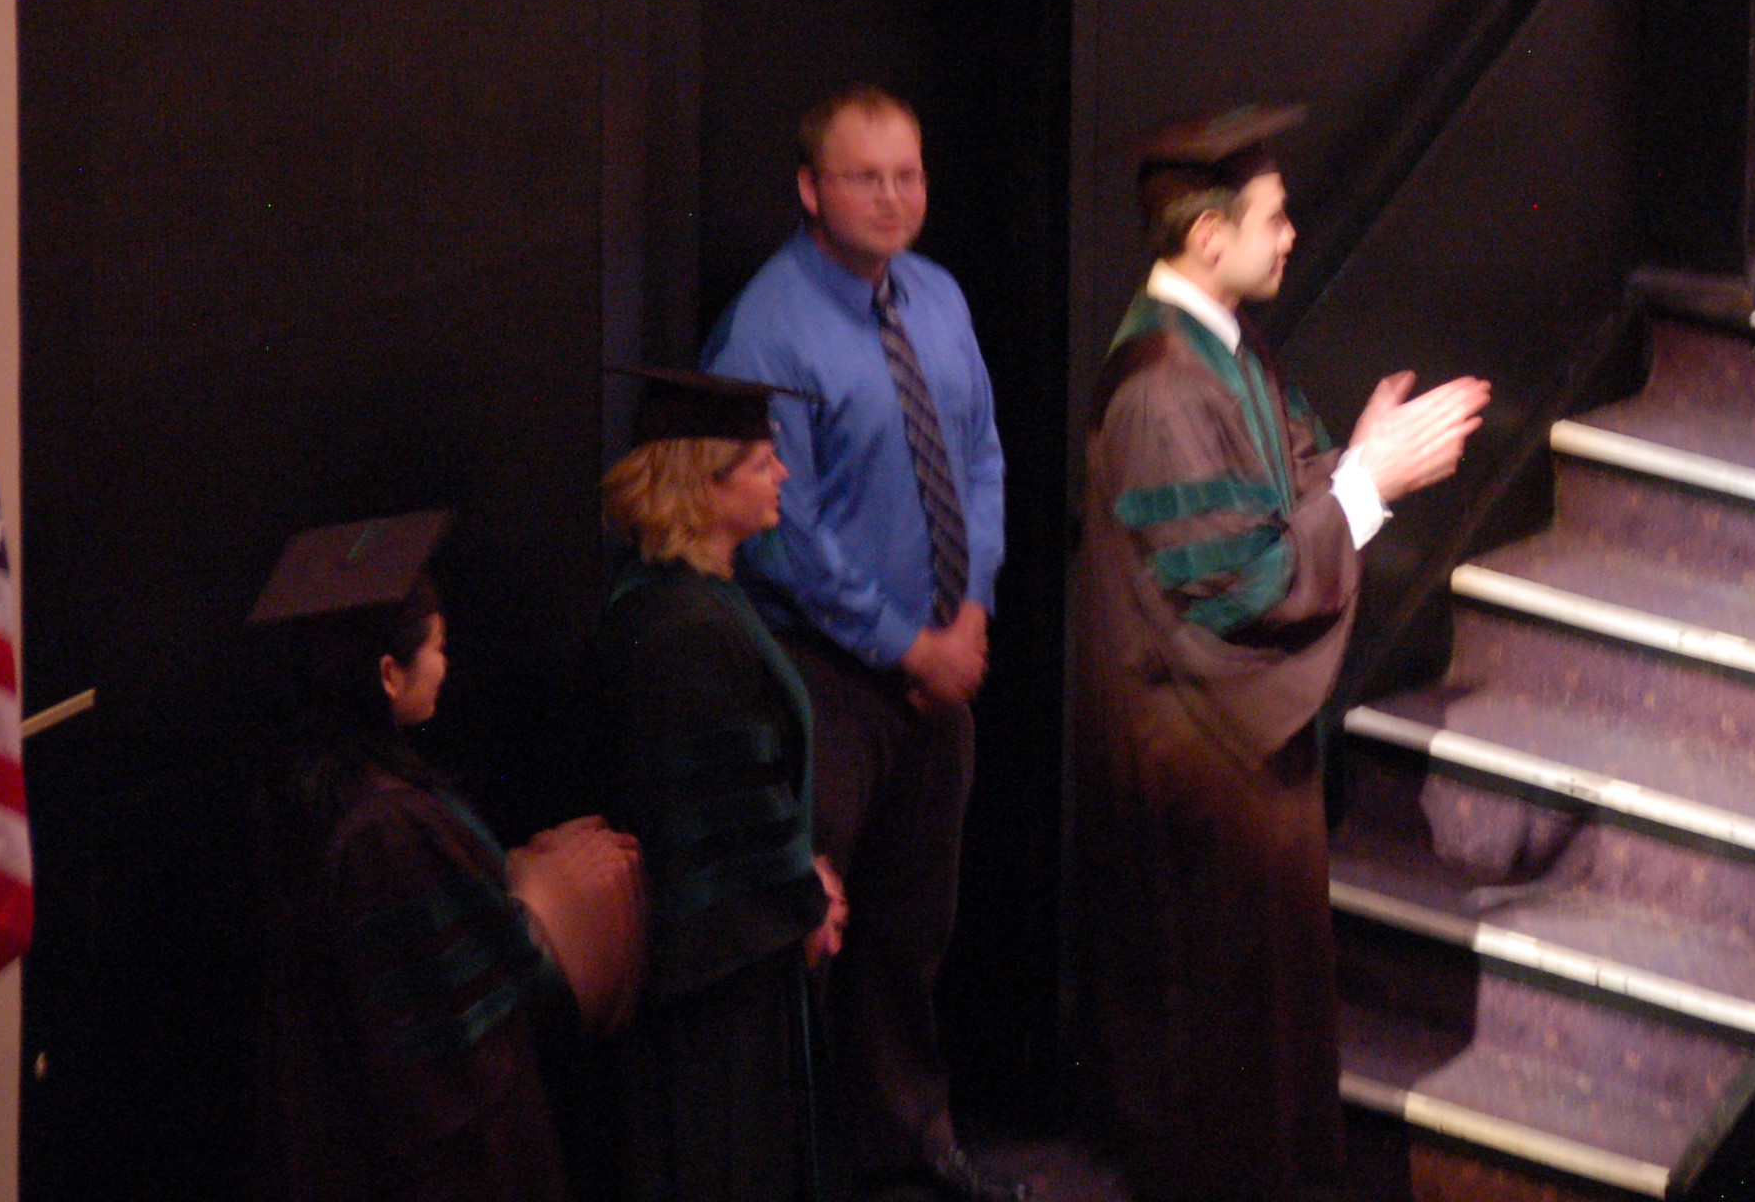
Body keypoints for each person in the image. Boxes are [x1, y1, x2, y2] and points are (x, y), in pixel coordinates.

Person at [1071, 106, 1490, 1202]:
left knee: (1263, 1039)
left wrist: (1364, 462)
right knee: (1213, 1053)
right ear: (1209, 236)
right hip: (1195, 763)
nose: (1293, 233)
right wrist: (1370, 482)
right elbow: (1241, 585)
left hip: (1242, 753)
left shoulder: (1226, 350)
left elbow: (1295, 490)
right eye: (1274, 217)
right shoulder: (1162, 386)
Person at [702, 89, 1019, 1202]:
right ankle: (805, 1173)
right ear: (810, 189)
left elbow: (981, 459)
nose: (892, 198)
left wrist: (970, 610)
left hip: (942, 670)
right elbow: (780, 532)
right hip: (824, 679)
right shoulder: (766, 328)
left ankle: (908, 1152)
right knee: (814, 941)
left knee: (909, 930)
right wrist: (907, 646)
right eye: (865, 177)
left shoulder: (937, 295)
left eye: (907, 174)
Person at [252, 509, 645, 1202]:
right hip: (445, 1160)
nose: (446, 664)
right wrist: (540, 912)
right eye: (437, 647)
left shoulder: (320, 786)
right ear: (388, 674)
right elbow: (455, 1032)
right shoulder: (385, 828)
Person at [591, 369, 847, 1202]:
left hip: (737, 962)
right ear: (706, 483)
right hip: (718, 990)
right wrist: (800, 897)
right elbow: (711, 827)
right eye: (764, 462)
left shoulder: (686, 598)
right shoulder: (682, 631)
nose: (784, 475)